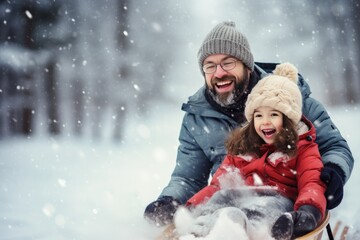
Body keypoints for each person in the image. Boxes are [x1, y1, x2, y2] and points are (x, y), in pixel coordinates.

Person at [144, 21, 354, 226]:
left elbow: (333, 146)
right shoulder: (197, 117)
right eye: (210, 66)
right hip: (225, 205)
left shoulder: (289, 99)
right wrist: (170, 201)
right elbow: (188, 178)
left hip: (285, 205)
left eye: (228, 63)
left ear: (247, 65)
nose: (219, 73)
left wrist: (334, 170)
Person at [180, 62, 326, 239]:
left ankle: (242, 231)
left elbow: (312, 183)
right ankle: (199, 228)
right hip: (242, 197)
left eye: (273, 114)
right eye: (258, 115)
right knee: (222, 195)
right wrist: (190, 207)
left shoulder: (302, 148)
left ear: (288, 119)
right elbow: (219, 184)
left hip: (278, 201)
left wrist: (309, 211)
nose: (265, 122)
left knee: (266, 205)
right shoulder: (242, 147)